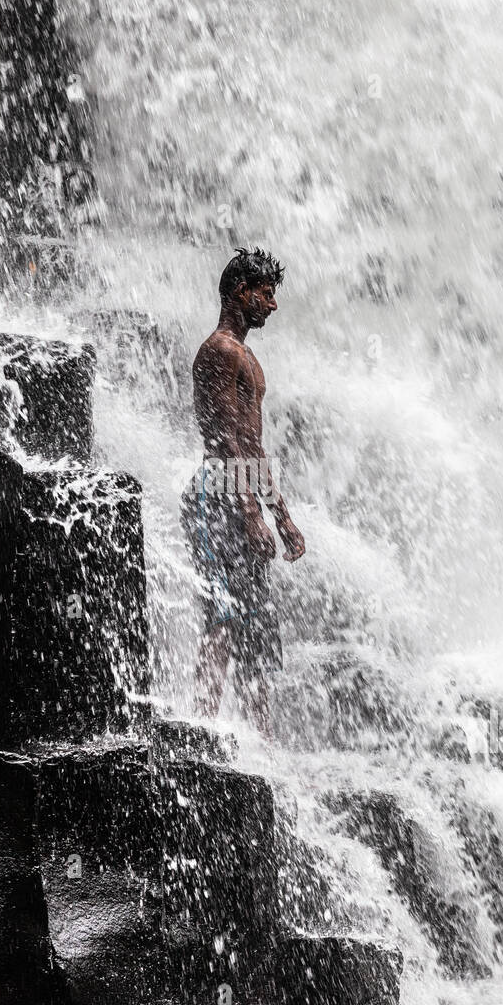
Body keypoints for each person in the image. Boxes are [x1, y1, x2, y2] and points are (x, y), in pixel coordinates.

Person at [181, 246, 305, 739]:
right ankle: (201, 733)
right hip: (217, 495)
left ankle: (262, 750)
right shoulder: (219, 351)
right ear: (241, 291)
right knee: (222, 617)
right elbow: (224, 440)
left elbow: (254, 446)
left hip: (238, 492)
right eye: (266, 293)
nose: (272, 304)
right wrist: (251, 513)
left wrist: (283, 516)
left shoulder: (247, 357)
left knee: (256, 630)